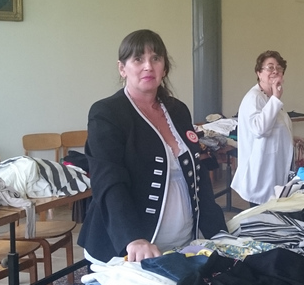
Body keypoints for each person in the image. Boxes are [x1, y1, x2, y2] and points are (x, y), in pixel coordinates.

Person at [78, 29, 227, 264]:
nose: (148, 66)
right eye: (138, 59)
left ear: (164, 67)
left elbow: (197, 173)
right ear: (122, 68)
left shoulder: (177, 110)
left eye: (155, 58)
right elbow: (109, 181)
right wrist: (133, 238)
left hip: (184, 241)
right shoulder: (106, 113)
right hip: (130, 247)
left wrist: (217, 229)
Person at [231, 50, 303, 206]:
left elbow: (274, 126)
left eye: (279, 68)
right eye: (270, 67)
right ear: (259, 73)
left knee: (275, 210)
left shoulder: (270, 97)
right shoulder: (254, 98)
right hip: (262, 173)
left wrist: (290, 138)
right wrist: (276, 98)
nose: (275, 71)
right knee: (263, 214)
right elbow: (260, 129)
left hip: (275, 168)